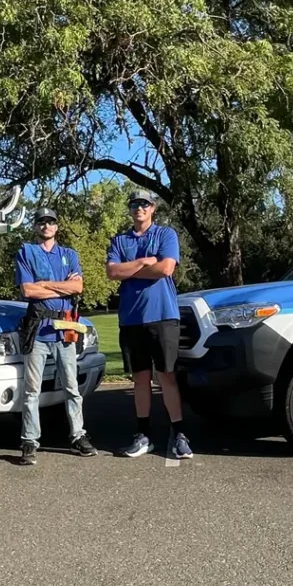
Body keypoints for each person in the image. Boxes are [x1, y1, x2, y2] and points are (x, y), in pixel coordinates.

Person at [106, 190, 193, 460]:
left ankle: (179, 434)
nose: (139, 208)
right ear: (130, 208)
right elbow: (112, 272)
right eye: (135, 204)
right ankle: (143, 435)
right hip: (131, 320)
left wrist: (130, 270)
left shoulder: (166, 235)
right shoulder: (120, 240)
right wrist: (144, 262)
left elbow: (166, 268)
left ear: (152, 208)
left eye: (144, 204)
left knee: (167, 376)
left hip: (163, 316)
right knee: (140, 379)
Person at [14, 207, 97, 465]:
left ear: (56, 226)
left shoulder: (69, 255)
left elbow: (78, 287)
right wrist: (62, 288)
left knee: (72, 387)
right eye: (41, 222)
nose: (46, 226)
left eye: (51, 222)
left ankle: (78, 435)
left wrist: (45, 285)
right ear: (35, 226)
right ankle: (30, 440)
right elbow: (28, 291)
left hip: (65, 330)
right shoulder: (26, 251)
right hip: (38, 331)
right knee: (32, 390)